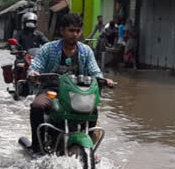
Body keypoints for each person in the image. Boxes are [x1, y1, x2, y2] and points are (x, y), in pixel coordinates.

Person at [27, 13, 115, 155]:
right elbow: (36, 65)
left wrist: (104, 80)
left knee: (93, 109)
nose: (74, 34)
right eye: (71, 30)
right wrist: (33, 73)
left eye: (77, 31)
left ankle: (89, 148)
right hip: (52, 91)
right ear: (62, 31)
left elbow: (95, 70)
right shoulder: (48, 48)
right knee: (37, 106)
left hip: (77, 92)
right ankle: (37, 148)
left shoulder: (86, 51)